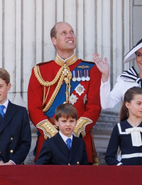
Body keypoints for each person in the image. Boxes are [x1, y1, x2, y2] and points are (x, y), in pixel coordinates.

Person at [27, 22, 101, 164]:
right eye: (64, 33)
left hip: (79, 143)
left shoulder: (92, 69)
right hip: (49, 142)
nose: (70, 36)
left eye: (72, 32)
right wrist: (55, 134)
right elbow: (34, 109)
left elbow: (95, 107)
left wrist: (73, 131)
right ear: (54, 41)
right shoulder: (40, 71)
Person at [93, 29, 142, 157]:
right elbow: (106, 104)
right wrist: (105, 77)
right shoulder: (125, 80)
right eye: (139, 54)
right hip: (126, 151)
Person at [105, 87, 142, 165]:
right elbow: (109, 157)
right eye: (139, 103)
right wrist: (122, 167)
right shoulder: (119, 128)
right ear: (128, 105)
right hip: (127, 174)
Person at [0, 68, 31, 165]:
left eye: (0, 86)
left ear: (8, 86)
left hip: (14, 166)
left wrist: (13, 162)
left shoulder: (21, 112)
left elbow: (25, 142)